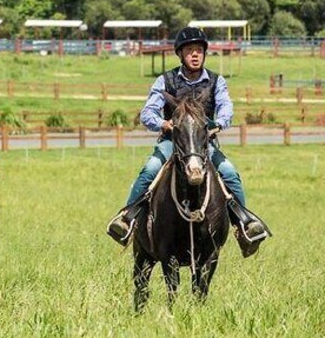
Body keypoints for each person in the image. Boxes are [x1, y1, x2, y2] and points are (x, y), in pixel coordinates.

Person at [107, 27, 269, 252]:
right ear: (180, 54)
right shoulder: (165, 80)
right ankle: (127, 220)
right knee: (150, 170)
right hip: (172, 142)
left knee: (230, 173)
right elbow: (147, 113)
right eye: (190, 50)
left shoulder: (216, 81)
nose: (195, 54)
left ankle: (244, 225)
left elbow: (226, 107)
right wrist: (163, 124)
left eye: (199, 50)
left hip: (204, 144)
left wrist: (219, 124)